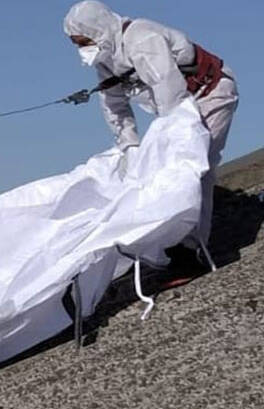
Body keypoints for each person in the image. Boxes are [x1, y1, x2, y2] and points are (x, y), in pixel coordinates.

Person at [64, 1, 239, 273]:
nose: (82, 50)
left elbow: (168, 89)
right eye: (77, 44)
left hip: (209, 94)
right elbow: (114, 105)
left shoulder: (143, 38)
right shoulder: (107, 60)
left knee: (197, 167)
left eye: (84, 41)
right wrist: (130, 146)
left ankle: (192, 250)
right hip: (179, 108)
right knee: (163, 171)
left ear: (98, 29)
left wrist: (171, 134)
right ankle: (173, 238)